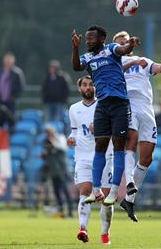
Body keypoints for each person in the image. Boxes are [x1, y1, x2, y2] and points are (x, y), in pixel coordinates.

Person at [112, 31, 161, 222]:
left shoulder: (143, 60)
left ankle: (129, 198)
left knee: (147, 157)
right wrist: (132, 62)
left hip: (147, 107)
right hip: (128, 103)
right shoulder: (115, 62)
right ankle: (130, 181)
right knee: (131, 141)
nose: (124, 45)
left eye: (126, 41)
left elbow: (158, 68)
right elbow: (118, 72)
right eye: (121, 44)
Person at [71, 25, 139, 205]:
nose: (88, 41)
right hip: (102, 104)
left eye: (91, 38)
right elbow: (76, 67)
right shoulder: (87, 57)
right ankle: (96, 190)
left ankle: (114, 191)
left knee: (118, 146)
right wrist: (75, 47)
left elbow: (123, 49)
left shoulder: (110, 49)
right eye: (86, 39)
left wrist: (130, 44)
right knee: (100, 145)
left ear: (101, 39)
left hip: (119, 104)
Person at [67, 75, 114, 244]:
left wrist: (101, 127)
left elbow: (115, 127)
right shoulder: (73, 109)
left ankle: (104, 233)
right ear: (80, 88)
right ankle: (82, 229)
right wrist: (70, 139)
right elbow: (75, 131)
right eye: (85, 85)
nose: (88, 87)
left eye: (91, 84)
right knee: (85, 190)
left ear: (96, 87)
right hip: (82, 156)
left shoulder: (104, 105)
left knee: (106, 198)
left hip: (104, 155)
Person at [41, 125, 73, 218]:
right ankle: (61, 212)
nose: (47, 134)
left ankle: (70, 212)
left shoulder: (60, 138)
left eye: (49, 132)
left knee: (65, 191)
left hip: (62, 170)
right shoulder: (46, 142)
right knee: (57, 192)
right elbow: (47, 153)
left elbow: (63, 148)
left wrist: (53, 142)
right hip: (53, 171)